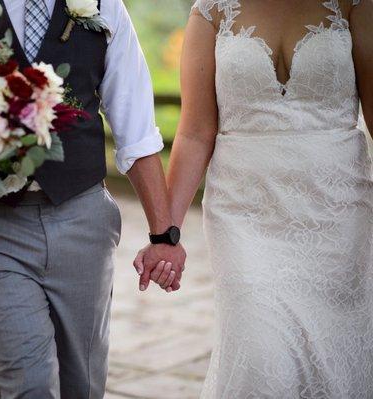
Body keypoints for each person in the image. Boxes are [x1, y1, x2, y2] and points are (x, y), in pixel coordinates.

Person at [0, 0, 185, 397]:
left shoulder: (102, 4)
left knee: (82, 384)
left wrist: (163, 236)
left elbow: (137, 130)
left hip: (82, 217)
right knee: (26, 385)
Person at [136, 0, 373, 397]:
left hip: (339, 212)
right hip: (245, 216)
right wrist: (166, 236)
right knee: (262, 358)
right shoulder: (210, 11)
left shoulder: (355, 4)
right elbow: (195, 132)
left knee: (336, 360)